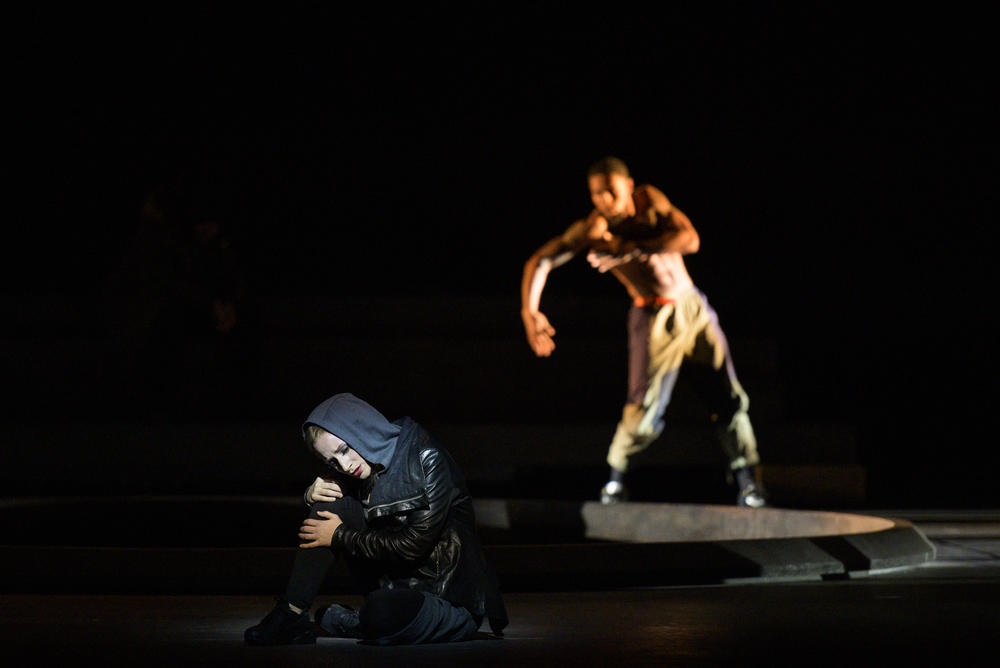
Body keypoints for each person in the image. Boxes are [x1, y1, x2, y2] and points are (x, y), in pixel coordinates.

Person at [520, 156, 767, 507]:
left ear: (629, 186)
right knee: (644, 411)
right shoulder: (597, 229)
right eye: (596, 194)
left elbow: (690, 239)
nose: (604, 200)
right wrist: (530, 311)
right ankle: (616, 483)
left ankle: (748, 482)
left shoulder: (649, 201)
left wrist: (635, 247)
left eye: (610, 191)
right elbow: (541, 260)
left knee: (727, 396)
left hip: (691, 306)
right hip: (653, 317)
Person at [244, 393, 508, 646]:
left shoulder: (427, 458)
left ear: (362, 430)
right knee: (329, 501)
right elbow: (335, 508)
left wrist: (340, 535)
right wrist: (310, 494)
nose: (345, 465)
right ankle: (292, 615)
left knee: (382, 611)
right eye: (333, 461)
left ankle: (358, 622)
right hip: (392, 589)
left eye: (345, 449)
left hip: (447, 600)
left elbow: (413, 545)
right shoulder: (363, 466)